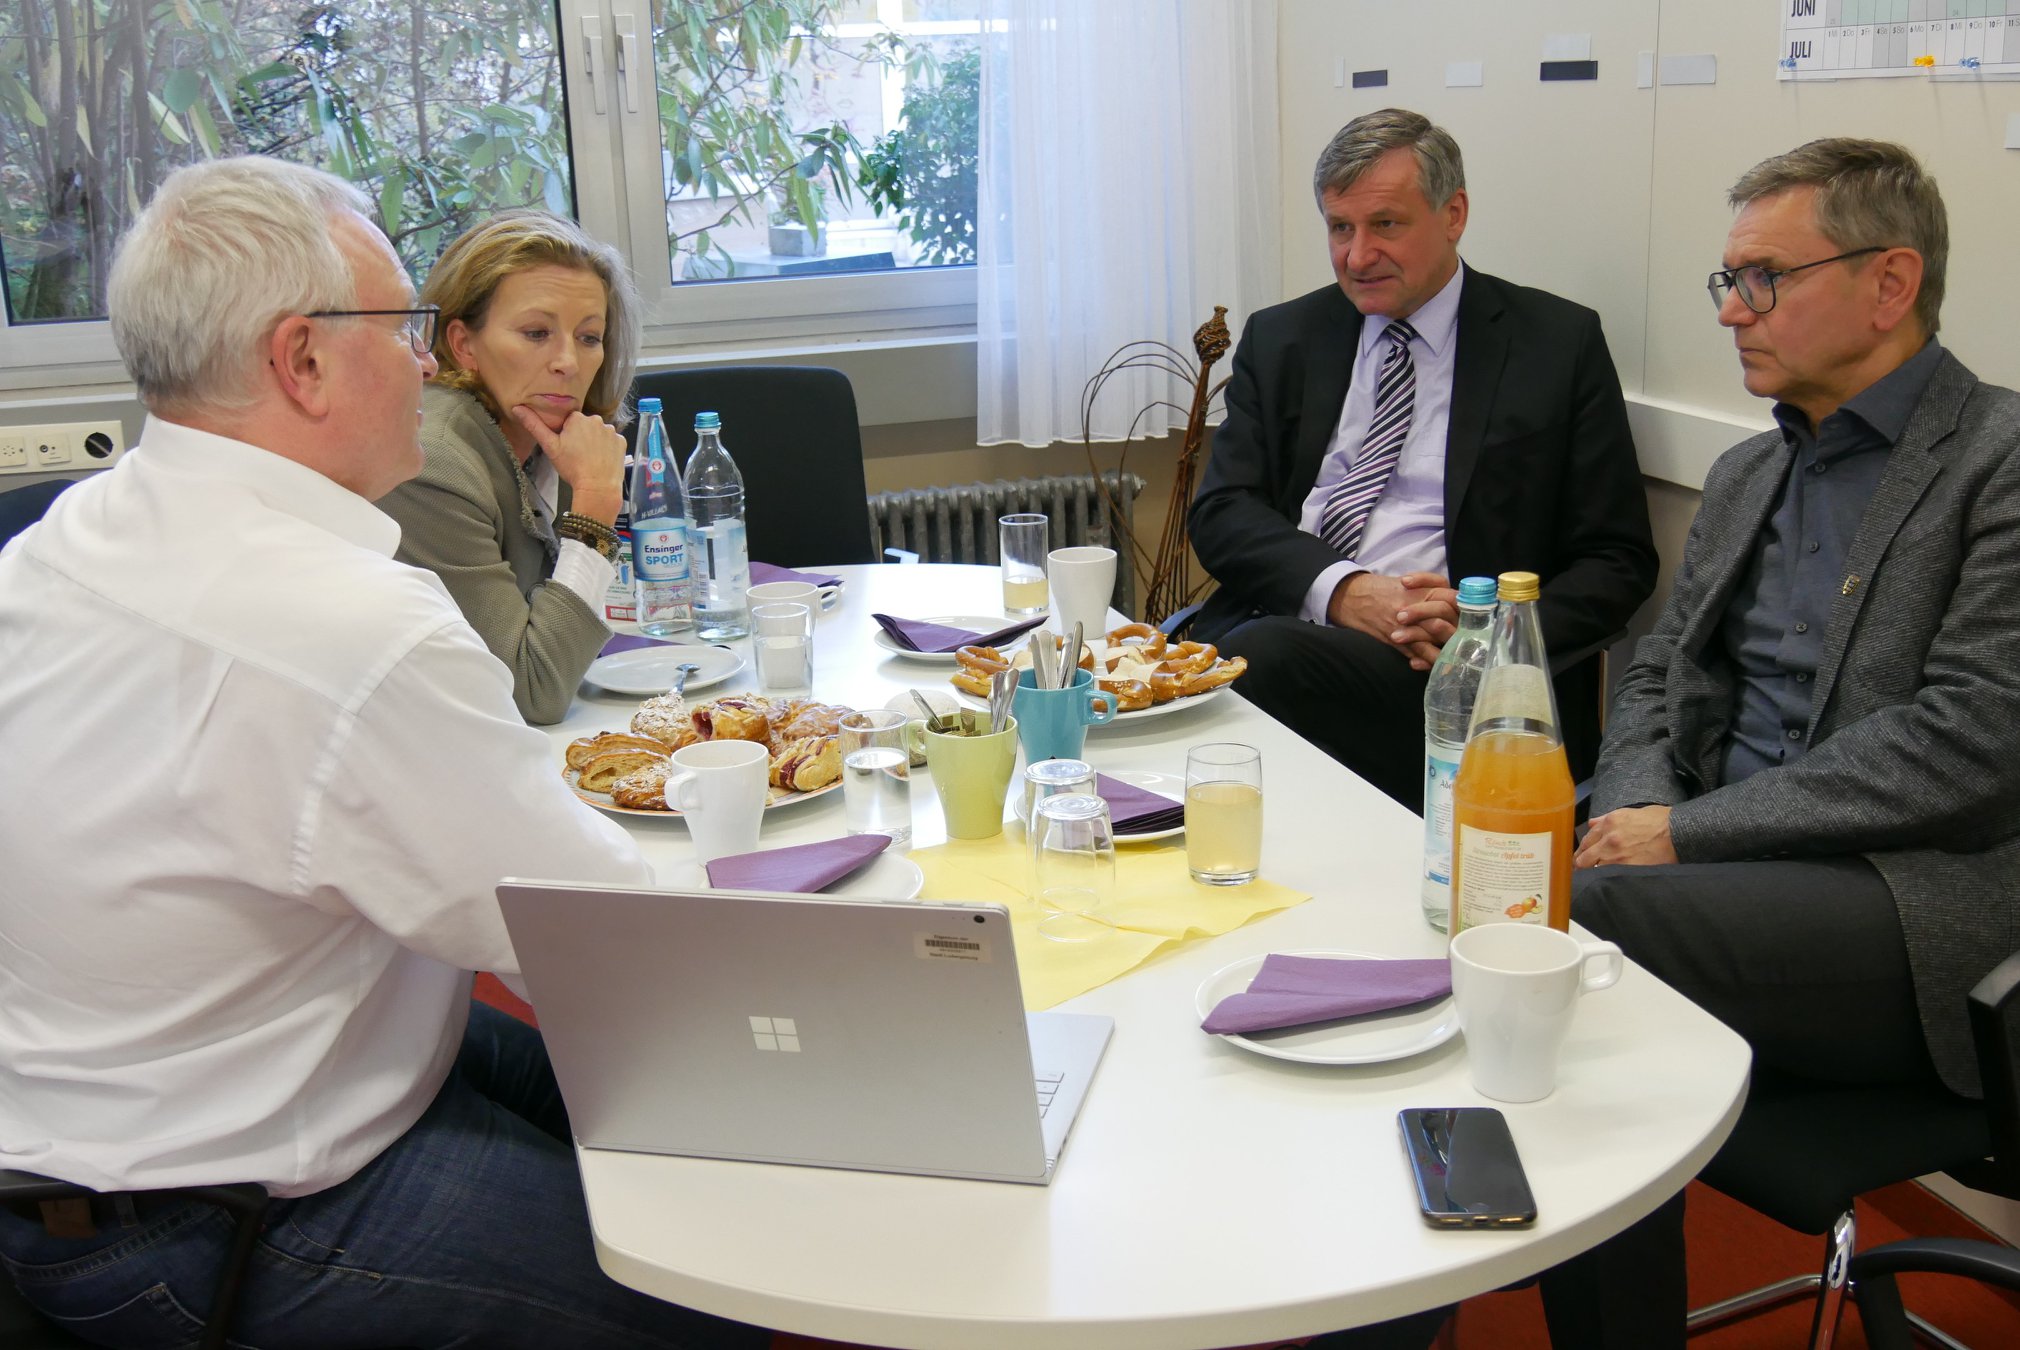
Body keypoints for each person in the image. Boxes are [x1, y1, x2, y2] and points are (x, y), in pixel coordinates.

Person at [0, 158, 765, 1349]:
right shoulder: (341, 623)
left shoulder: (72, 534)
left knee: (693, 1113)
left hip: (113, 1135)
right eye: (405, 327)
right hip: (209, 1216)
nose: (426, 359)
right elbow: (601, 934)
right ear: (300, 360)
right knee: (718, 1287)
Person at [1551, 137, 2020, 1348]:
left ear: (1889, 281)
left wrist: (1681, 836)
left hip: (1915, 907)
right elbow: (1658, 666)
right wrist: (1640, 806)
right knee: (1485, 881)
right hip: (1723, 874)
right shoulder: (1753, 462)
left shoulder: (1998, 463)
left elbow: (1969, 741)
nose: (1732, 314)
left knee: (1566, 927)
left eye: (1763, 279)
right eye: (1725, 281)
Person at [1188, 108, 1657, 806]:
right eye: (1339, 228)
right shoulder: (1286, 337)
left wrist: (1483, 635)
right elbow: (1224, 510)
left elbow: (1617, 558)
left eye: (1386, 225)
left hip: (1453, 672)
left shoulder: (1554, 344)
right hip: (1294, 620)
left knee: (1260, 669)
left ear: (1453, 213)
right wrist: (1345, 591)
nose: (1356, 255)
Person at [376, 210, 639, 725]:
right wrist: (594, 507)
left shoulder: (547, 434)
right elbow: (533, 692)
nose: (568, 361)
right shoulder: (434, 464)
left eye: (589, 337)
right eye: (537, 333)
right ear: (463, 344)